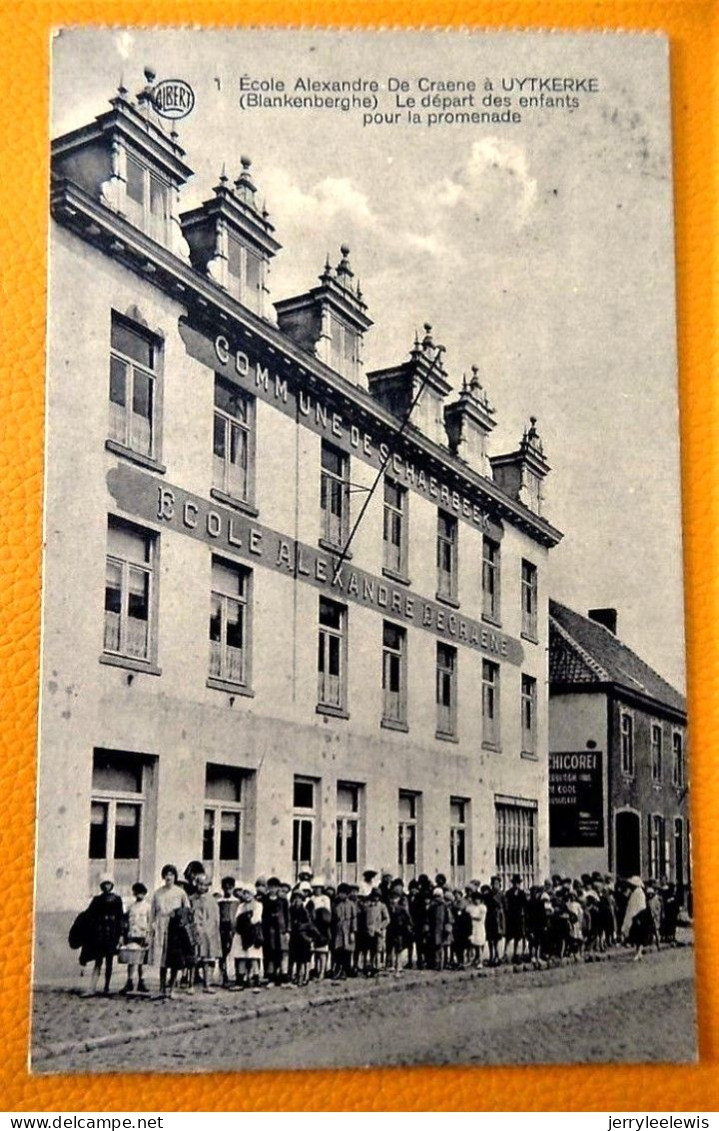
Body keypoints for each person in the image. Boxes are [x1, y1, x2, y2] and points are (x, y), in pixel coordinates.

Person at [79, 873, 125, 996]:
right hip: (99, 934)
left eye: (108, 884)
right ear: (101, 886)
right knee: (98, 960)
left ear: (112, 885)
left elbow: (120, 918)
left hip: (112, 933)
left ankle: (107, 987)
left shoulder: (117, 899)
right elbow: (89, 915)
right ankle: (92, 987)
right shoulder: (97, 900)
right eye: (104, 884)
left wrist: (121, 935)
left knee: (109, 961)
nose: (106, 886)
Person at [149, 864, 190, 997]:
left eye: (171, 874)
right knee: (163, 960)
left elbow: (187, 910)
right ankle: (161, 988)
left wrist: (179, 917)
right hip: (162, 927)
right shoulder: (158, 893)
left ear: (175, 877)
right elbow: (152, 913)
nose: (168, 877)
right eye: (166, 874)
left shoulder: (180, 892)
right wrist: (152, 929)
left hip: (175, 929)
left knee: (174, 959)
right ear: (163, 876)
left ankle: (171, 988)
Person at [190, 873, 222, 992]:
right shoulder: (192, 899)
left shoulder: (212, 900)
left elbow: (214, 918)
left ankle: (207, 984)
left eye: (205, 885)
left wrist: (207, 930)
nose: (202, 887)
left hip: (209, 933)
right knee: (194, 959)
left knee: (208, 959)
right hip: (195, 931)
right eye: (200, 884)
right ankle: (191, 984)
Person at [229, 887, 264, 990]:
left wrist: (245, 919)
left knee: (253, 957)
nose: (247, 895)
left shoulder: (258, 905)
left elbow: (256, 919)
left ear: (253, 894)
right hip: (241, 934)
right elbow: (237, 920)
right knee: (241, 958)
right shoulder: (241, 906)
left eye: (249, 893)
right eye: (245, 893)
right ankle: (240, 981)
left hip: (253, 934)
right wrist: (244, 919)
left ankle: (256, 982)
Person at [120, 881, 150, 995]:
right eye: (137, 893)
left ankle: (142, 982)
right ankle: (130, 981)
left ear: (145, 894)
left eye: (141, 893)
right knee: (131, 960)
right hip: (132, 935)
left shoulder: (148, 907)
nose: (139, 895)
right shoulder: (130, 907)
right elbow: (125, 922)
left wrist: (148, 936)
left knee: (142, 960)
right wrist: (124, 935)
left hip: (142, 935)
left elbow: (151, 922)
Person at [331, 882, 357, 979]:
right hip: (338, 929)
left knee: (347, 951)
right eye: (340, 893)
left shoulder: (351, 904)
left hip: (348, 929)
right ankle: (337, 970)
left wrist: (353, 932)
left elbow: (354, 918)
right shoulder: (336, 904)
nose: (341, 895)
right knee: (338, 950)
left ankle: (345, 971)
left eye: (344, 893)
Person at [217, 876, 239, 987]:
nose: (227, 890)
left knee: (233, 951)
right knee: (223, 953)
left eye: (230, 888)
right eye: (225, 888)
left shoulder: (236, 901)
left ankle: (233, 974)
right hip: (222, 928)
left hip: (233, 928)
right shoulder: (220, 901)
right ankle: (223, 975)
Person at [621, 876, 649, 960]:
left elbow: (640, 906)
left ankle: (639, 952)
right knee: (636, 935)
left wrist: (637, 916)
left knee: (640, 935)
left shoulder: (639, 893)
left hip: (639, 916)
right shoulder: (634, 893)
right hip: (635, 916)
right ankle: (638, 951)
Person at [504, 875, 527, 962]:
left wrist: (523, 914)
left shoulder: (522, 893)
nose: (516, 885)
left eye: (518, 883)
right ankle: (505, 954)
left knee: (518, 936)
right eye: (515, 883)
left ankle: (515, 954)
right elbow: (506, 905)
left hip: (518, 917)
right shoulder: (508, 893)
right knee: (509, 936)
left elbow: (524, 905)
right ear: (512, 883)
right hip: (510, 917)